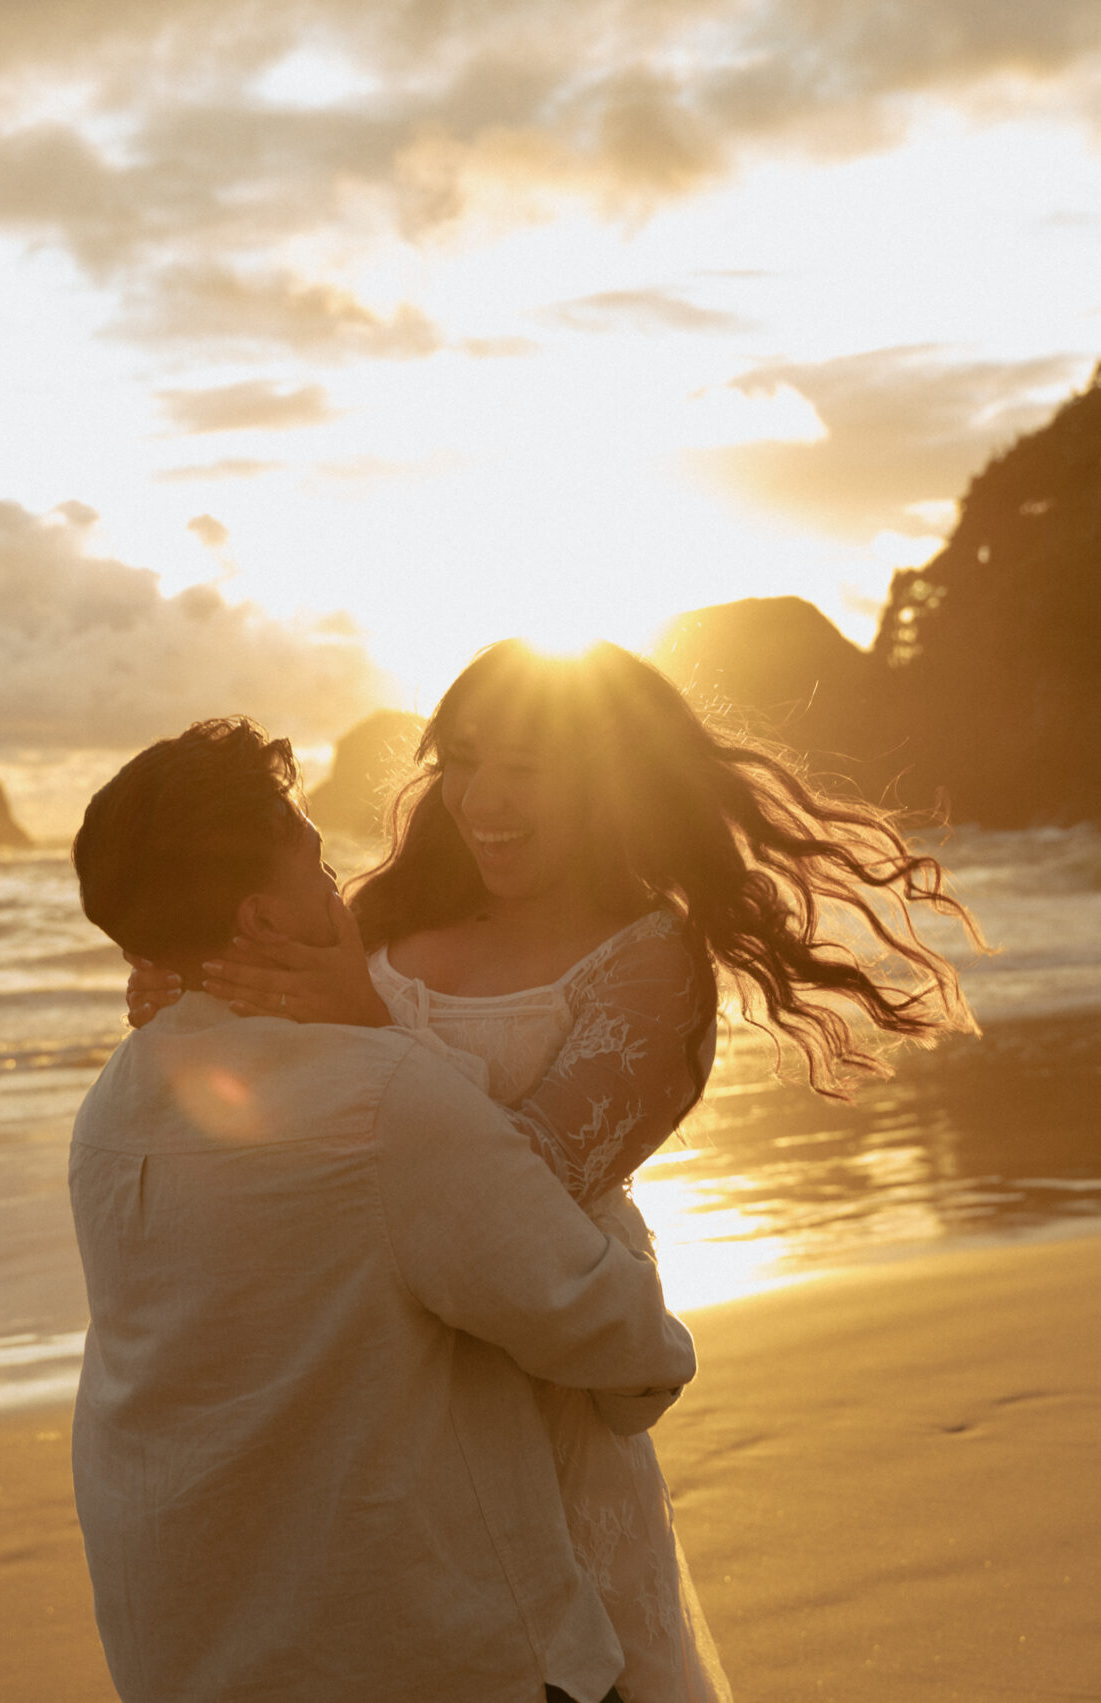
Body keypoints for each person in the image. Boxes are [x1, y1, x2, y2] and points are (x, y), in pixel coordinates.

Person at [128, 641, 984, 1703]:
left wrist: (355, 1019)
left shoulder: (646, 961)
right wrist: (186, 1000)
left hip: (535, 1404)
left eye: (529, 765)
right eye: (466, 759)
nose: (485, 798)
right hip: (370, 1399)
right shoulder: (380, 919)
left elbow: (515, 1193)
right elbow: (266, 1116)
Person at [68, 715, 698, 1703]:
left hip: (183, 1641)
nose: (339, 895)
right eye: (317, 868)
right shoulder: (385, 1096)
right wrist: (632, 1286)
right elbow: (616, 1337)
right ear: (265, 920)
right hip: (436, 1644)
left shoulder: (111, 1105)